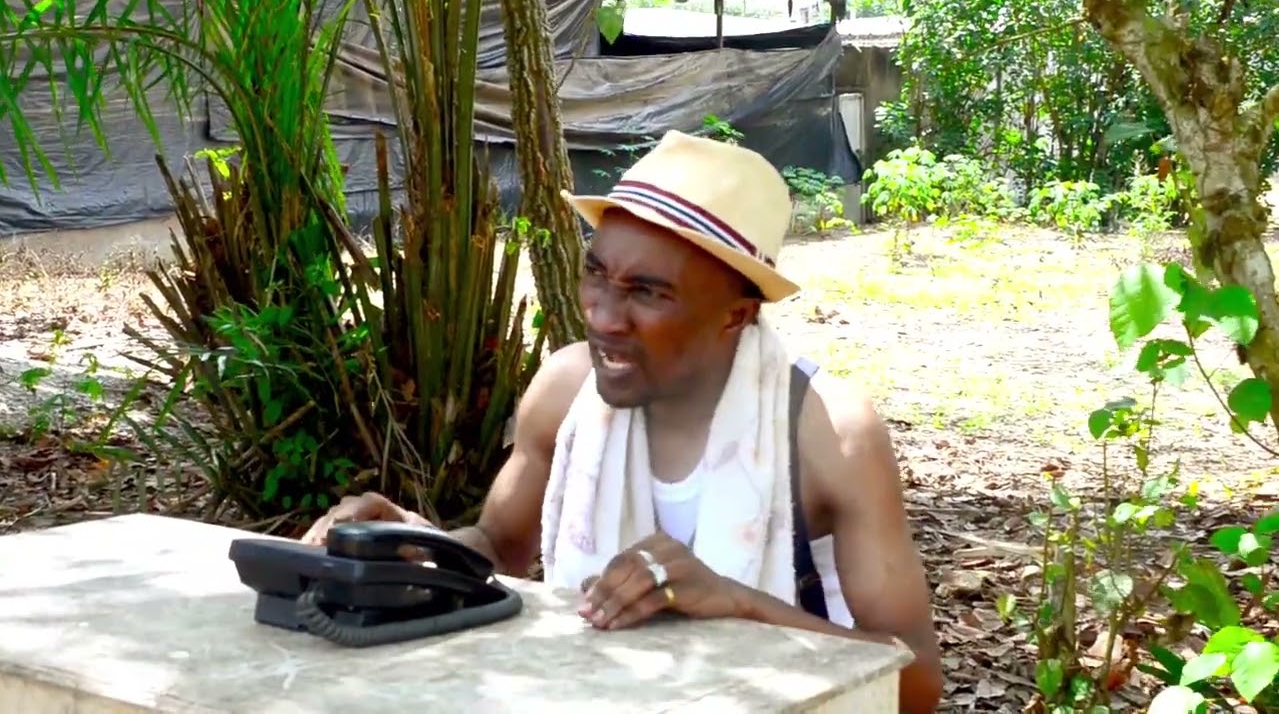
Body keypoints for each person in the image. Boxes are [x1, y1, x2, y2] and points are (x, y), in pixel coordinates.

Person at [303, 130, 943, 712]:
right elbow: (499, 550)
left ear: (736, 315)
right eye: (596, 274)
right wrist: (412, 547)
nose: (603, 316)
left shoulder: (827, 433)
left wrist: (741, 603)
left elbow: (915, 684)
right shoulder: (566, 391)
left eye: (648, 292)